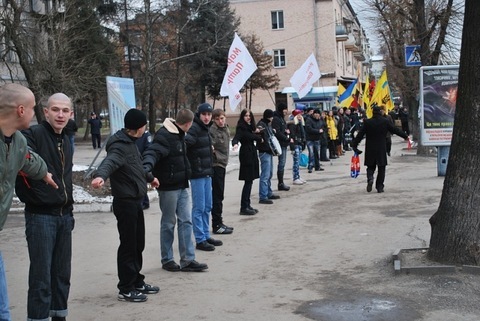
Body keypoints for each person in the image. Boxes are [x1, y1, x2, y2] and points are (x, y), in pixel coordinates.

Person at [15, 93, 75, 321]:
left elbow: (65, 178)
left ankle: (59, 316)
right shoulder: (32, 135)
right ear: (46, 111)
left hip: (64, 216)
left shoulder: (66, 139)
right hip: (41, 217)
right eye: (56, 110)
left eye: (65, 111)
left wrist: (67, 209)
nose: (60, 115)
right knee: (41, 279)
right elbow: (22, 159)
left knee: (61, 276)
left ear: (71, 114)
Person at [0, 83, 57, 321]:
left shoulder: (18, 140)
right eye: (34, 108)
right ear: (21, 110)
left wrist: (44, 173)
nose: (35, 114)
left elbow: (29, 160)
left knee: (3, 309)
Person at [91, 109, 160, 303]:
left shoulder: (131, 144)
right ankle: (126, 288)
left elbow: (137, 166)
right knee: (129, 246)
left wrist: (151, 178)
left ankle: (136, 280)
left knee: (139, 243)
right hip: (125, 202)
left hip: (136, 201)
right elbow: (109, 163)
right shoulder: (120, 146)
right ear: (139, 127)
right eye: (144, 125)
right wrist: (100, 176)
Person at [142, 109, 208, 272]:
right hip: (168, 187)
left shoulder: (180, 134)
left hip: (182, 184)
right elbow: (152, 153)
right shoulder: (164, 136)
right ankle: (167, 259)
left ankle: (187, 260)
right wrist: (147, 170)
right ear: (188, 123)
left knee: (186, 221)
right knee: (168, 223)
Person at [185, 103, 222, 252]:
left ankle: (206, 235)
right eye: (204, 114)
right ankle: (200, 239)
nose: (207, 117)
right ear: (198, 115)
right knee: (199, 207)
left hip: (207, 172)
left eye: (209, 114)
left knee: (207, 206)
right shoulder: (194, 128)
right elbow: (186, 145)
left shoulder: (205, 129)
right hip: (197, 174)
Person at [351, 106, 409, 193]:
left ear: (373, 112)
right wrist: (405, 136)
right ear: (380, 112)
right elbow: (395, 129)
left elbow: (360, 134)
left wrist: (354, 145)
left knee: (370, 166)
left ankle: (370, 178)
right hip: (381, 147)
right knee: (381, 168)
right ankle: (379, 186)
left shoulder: (367, 122)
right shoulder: (385, 121)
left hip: (370, 148)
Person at [232, 109, 262, 215]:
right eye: (246, 115)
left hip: (251, 153)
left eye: (249, 115)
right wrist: (235, 144)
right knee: (248, 181)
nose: (248, 117)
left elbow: (253, 135)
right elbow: (236, 138)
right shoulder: (241, 127)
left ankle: (247, 204)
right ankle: (244, 207)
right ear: (242, 117)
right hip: (246, 154)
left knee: (250, 181)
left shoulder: (249, 127)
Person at [209, 109, 234, 234]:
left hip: (222, 163)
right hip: (216, 164)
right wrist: (214, 153)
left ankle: (219, 221)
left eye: (222, 118)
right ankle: (216, 224)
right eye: (218, 119)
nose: (220, 121)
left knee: (220, 194)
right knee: (217, 195)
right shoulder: (213, 131)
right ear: (214, 119)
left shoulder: (225, 128)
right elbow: (210, 145)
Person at [256, 109, 281, 204]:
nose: (272, 118)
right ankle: (263, 196)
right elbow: (258, 133)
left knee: (269, 173)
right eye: (271, 116)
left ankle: (269, 192)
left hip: (269, 151)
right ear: (269, 117)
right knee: (265, 175)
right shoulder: (261, 124)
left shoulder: (267, 125)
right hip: (264, 151)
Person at [271, 102, 290, 191]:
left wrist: (286, 131)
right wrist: (286, 138)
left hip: (284, 143)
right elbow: (277, 132)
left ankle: (281, 182)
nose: (286, 111)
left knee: (283, 163)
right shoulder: (276, 119)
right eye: (285, 109)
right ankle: (280, 183)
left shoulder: (282, 118)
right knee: (281, 163)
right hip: (280, 144)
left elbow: (282, 130)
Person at [288, 109, 307, 185]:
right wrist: (292, 147)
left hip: (299, 143)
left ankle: (298, 176)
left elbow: (303, 134)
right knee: (296, 162)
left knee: (298, 161)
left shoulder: (300, 124)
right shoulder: (293, 124)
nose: (300, 116)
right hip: (295, 144)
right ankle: (295, 177)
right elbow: (292, 136)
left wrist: (303, 144)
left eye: (300, 115)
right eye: (298, 115)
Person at [135, 129, 153, 209]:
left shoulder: (146, 135)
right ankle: (145, 201)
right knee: (140, 182)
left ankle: (144, 202)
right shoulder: (133, 134)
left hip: (142, 161)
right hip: (135, 161)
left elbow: (149, 148)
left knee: (141, 182)